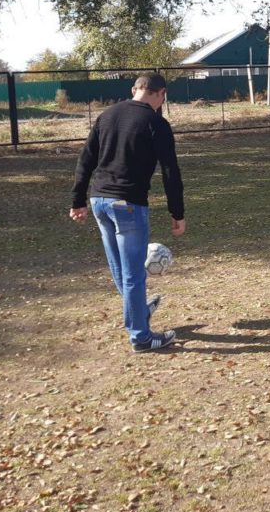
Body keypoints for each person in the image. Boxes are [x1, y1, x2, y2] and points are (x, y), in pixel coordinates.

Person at [70, 74, 186, 353]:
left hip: (99, 201)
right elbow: (170, 170)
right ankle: (141, 337)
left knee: (119, 268)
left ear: (134, 90)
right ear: (161, 94)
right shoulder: (156, 123)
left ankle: (138, 313)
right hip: (127, 205)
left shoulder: (107, 115)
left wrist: (78, 200)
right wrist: (177, 212)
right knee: (133, 273)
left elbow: (86, 159)